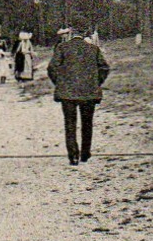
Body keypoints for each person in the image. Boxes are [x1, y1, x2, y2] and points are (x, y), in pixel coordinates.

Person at [46, 24, 111, 165]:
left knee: (70, 124)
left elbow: (52, 67)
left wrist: (60, 82)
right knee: (87, 123)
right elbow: (104, 68)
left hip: (67, 93)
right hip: (89, 92)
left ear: (71, 33)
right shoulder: (93, 49)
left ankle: (73, 156)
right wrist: (95, 82)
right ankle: (85, 154)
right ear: (85, 33)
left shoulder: (62, 48)